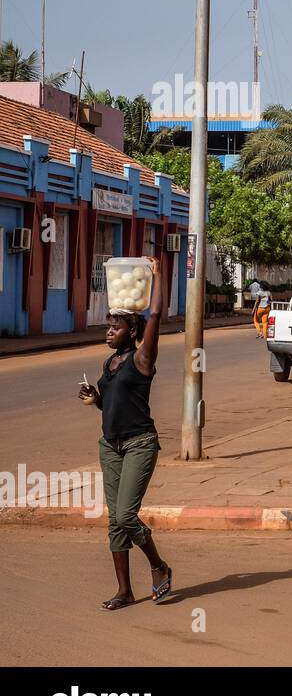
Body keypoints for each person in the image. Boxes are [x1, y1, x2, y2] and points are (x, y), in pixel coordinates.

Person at [78, 257, 173, 610]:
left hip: (139, 445)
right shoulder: (110, 363)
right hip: (110, 446)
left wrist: (159, 275)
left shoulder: (143, 357)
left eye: (115, 328)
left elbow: (158, 316)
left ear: (132, 331)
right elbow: (113, 404)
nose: (108, 332)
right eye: (107, 326)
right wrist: (96, 398)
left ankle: (159, 566)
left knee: (124, 516)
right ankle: (124, 591)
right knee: (114, 523)